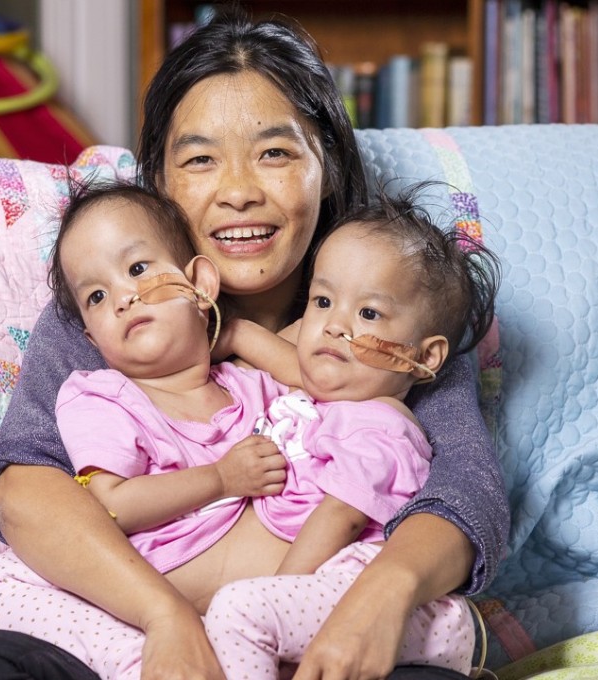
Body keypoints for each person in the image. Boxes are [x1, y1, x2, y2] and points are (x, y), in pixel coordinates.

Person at [0, 8, 508, 680]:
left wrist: (379, 599)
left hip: (309, 632)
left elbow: (466, 493)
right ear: (162, 181)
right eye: (201, 159)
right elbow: (23, 489)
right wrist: (166, 621)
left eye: (275, 153)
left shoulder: (393, 310)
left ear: (326, 166)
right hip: (133, 634)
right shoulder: (116, 314)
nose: (239, 193)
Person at [200, 183, 500, 679]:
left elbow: (340, 516)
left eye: (368, 313)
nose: (334, 325)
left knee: (237, 611)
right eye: (322, 301)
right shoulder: (332, 399)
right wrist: (235, 334)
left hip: (361, 591)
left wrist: (278, 593)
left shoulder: (380, 424)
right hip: (325, 591)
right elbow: (289, 362)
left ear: (425, 357)